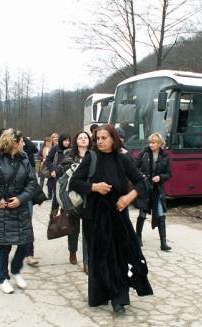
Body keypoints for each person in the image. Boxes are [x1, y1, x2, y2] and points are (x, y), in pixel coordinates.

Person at [70, 124, 153, 314]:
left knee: (119, 256)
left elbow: (142, 182)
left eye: (104, 138)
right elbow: (75, 182)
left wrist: (128, 197)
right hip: (95, 216)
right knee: (99, 258)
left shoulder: (123, 159)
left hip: (117, 214)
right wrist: (94, 187)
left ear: (113, 139)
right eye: (97, 138)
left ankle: (119, 299)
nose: (99, 141)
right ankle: (100, 295)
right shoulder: (91, 157)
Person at [0, 129, 37, 294]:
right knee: (5, 245)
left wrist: (21, 198)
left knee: (25, 243)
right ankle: (3, 278)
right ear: (14, 143)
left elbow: (32, 183)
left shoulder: (24, 160)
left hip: (21, 208)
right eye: (22, 141)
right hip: (3, 210)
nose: (24, 144)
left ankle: (16, 270)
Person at [55, 131, 91, 271]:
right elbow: (60, 175)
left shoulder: (93, 155)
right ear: (76, 141)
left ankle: (87, 261)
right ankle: (73, 251)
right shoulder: (69, 156)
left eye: (85, 137)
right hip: (73, 197)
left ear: (89, 140)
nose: (83, 139)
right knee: (74, 228)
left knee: (88, 230)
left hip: (89, 196)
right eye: (80, 138)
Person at [135, 133, 172, 251]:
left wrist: (160, 177)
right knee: (142, 213)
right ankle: (138, 238)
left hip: (157, 190)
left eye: (154, 142)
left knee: (161, 214)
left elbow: (169, 174)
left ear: (160, 144)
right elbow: (135, 168)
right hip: (145, 188)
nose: (151, 144)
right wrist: (142, 176)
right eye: (150, 142)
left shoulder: (165, 156)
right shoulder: (144, 153)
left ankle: (163, 243)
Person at [45, 133, 71, 216]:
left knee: (65, 198)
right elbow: (48, 160)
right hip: (56, 177)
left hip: (67, 177)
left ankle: (64, 219)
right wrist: (52, 170)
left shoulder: (72, 149)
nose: (67, 142)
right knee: (56, 198)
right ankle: (53, 217)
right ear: (61, 141)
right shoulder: (55, 148)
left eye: (68, 141)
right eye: (65, 140)